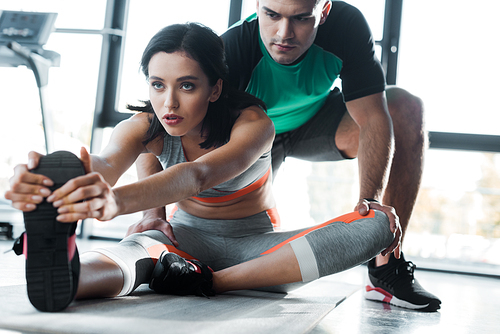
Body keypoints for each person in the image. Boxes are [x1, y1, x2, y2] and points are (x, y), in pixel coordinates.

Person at [5, 22, 399, 312]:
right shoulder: (145, 127)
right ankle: (71, 272)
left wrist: (110, 203)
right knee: (135, 253)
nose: (169, 103)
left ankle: (210, 280)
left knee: (379, 224)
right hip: (183, 239)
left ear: (215, 89)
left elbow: (197, 175)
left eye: (187, 86)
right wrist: (59, 186)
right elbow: (106, 162)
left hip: (258, 251)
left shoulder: (254, 124)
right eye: (158, 85)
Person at [134, 0, 441, 312]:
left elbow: (374, 118)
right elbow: (154, 129)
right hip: (252, 139)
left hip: (317, 125)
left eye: (301, 18)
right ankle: (206, 266)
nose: (284, 33)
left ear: (324, 11)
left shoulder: (347, 27)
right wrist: (153, 214)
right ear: (256, 6)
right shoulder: (233, 50)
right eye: (271, 14)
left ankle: (386, 268)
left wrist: (369, 206)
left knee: (404, 108)